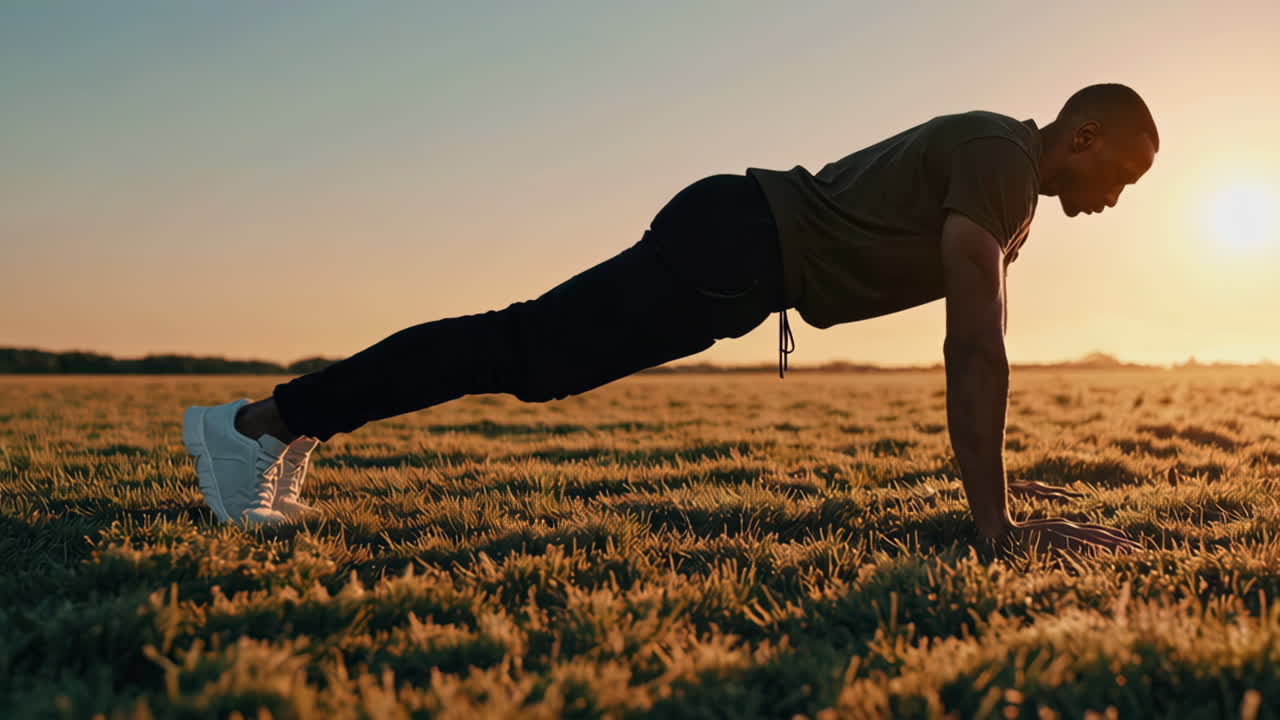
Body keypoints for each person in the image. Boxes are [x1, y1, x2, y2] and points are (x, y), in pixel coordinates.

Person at [183, 83, 1156, 552]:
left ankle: (277, 422)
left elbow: (973, 326)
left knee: (528, 352)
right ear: (1083, 136)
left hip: (735, 248)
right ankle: (255, 426)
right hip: (733, 243)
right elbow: (974, 343)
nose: (1119, 196)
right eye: (1124, 171)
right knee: (525, 348)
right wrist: (996, 523)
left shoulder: (1007, 179)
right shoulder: (1000, 162)